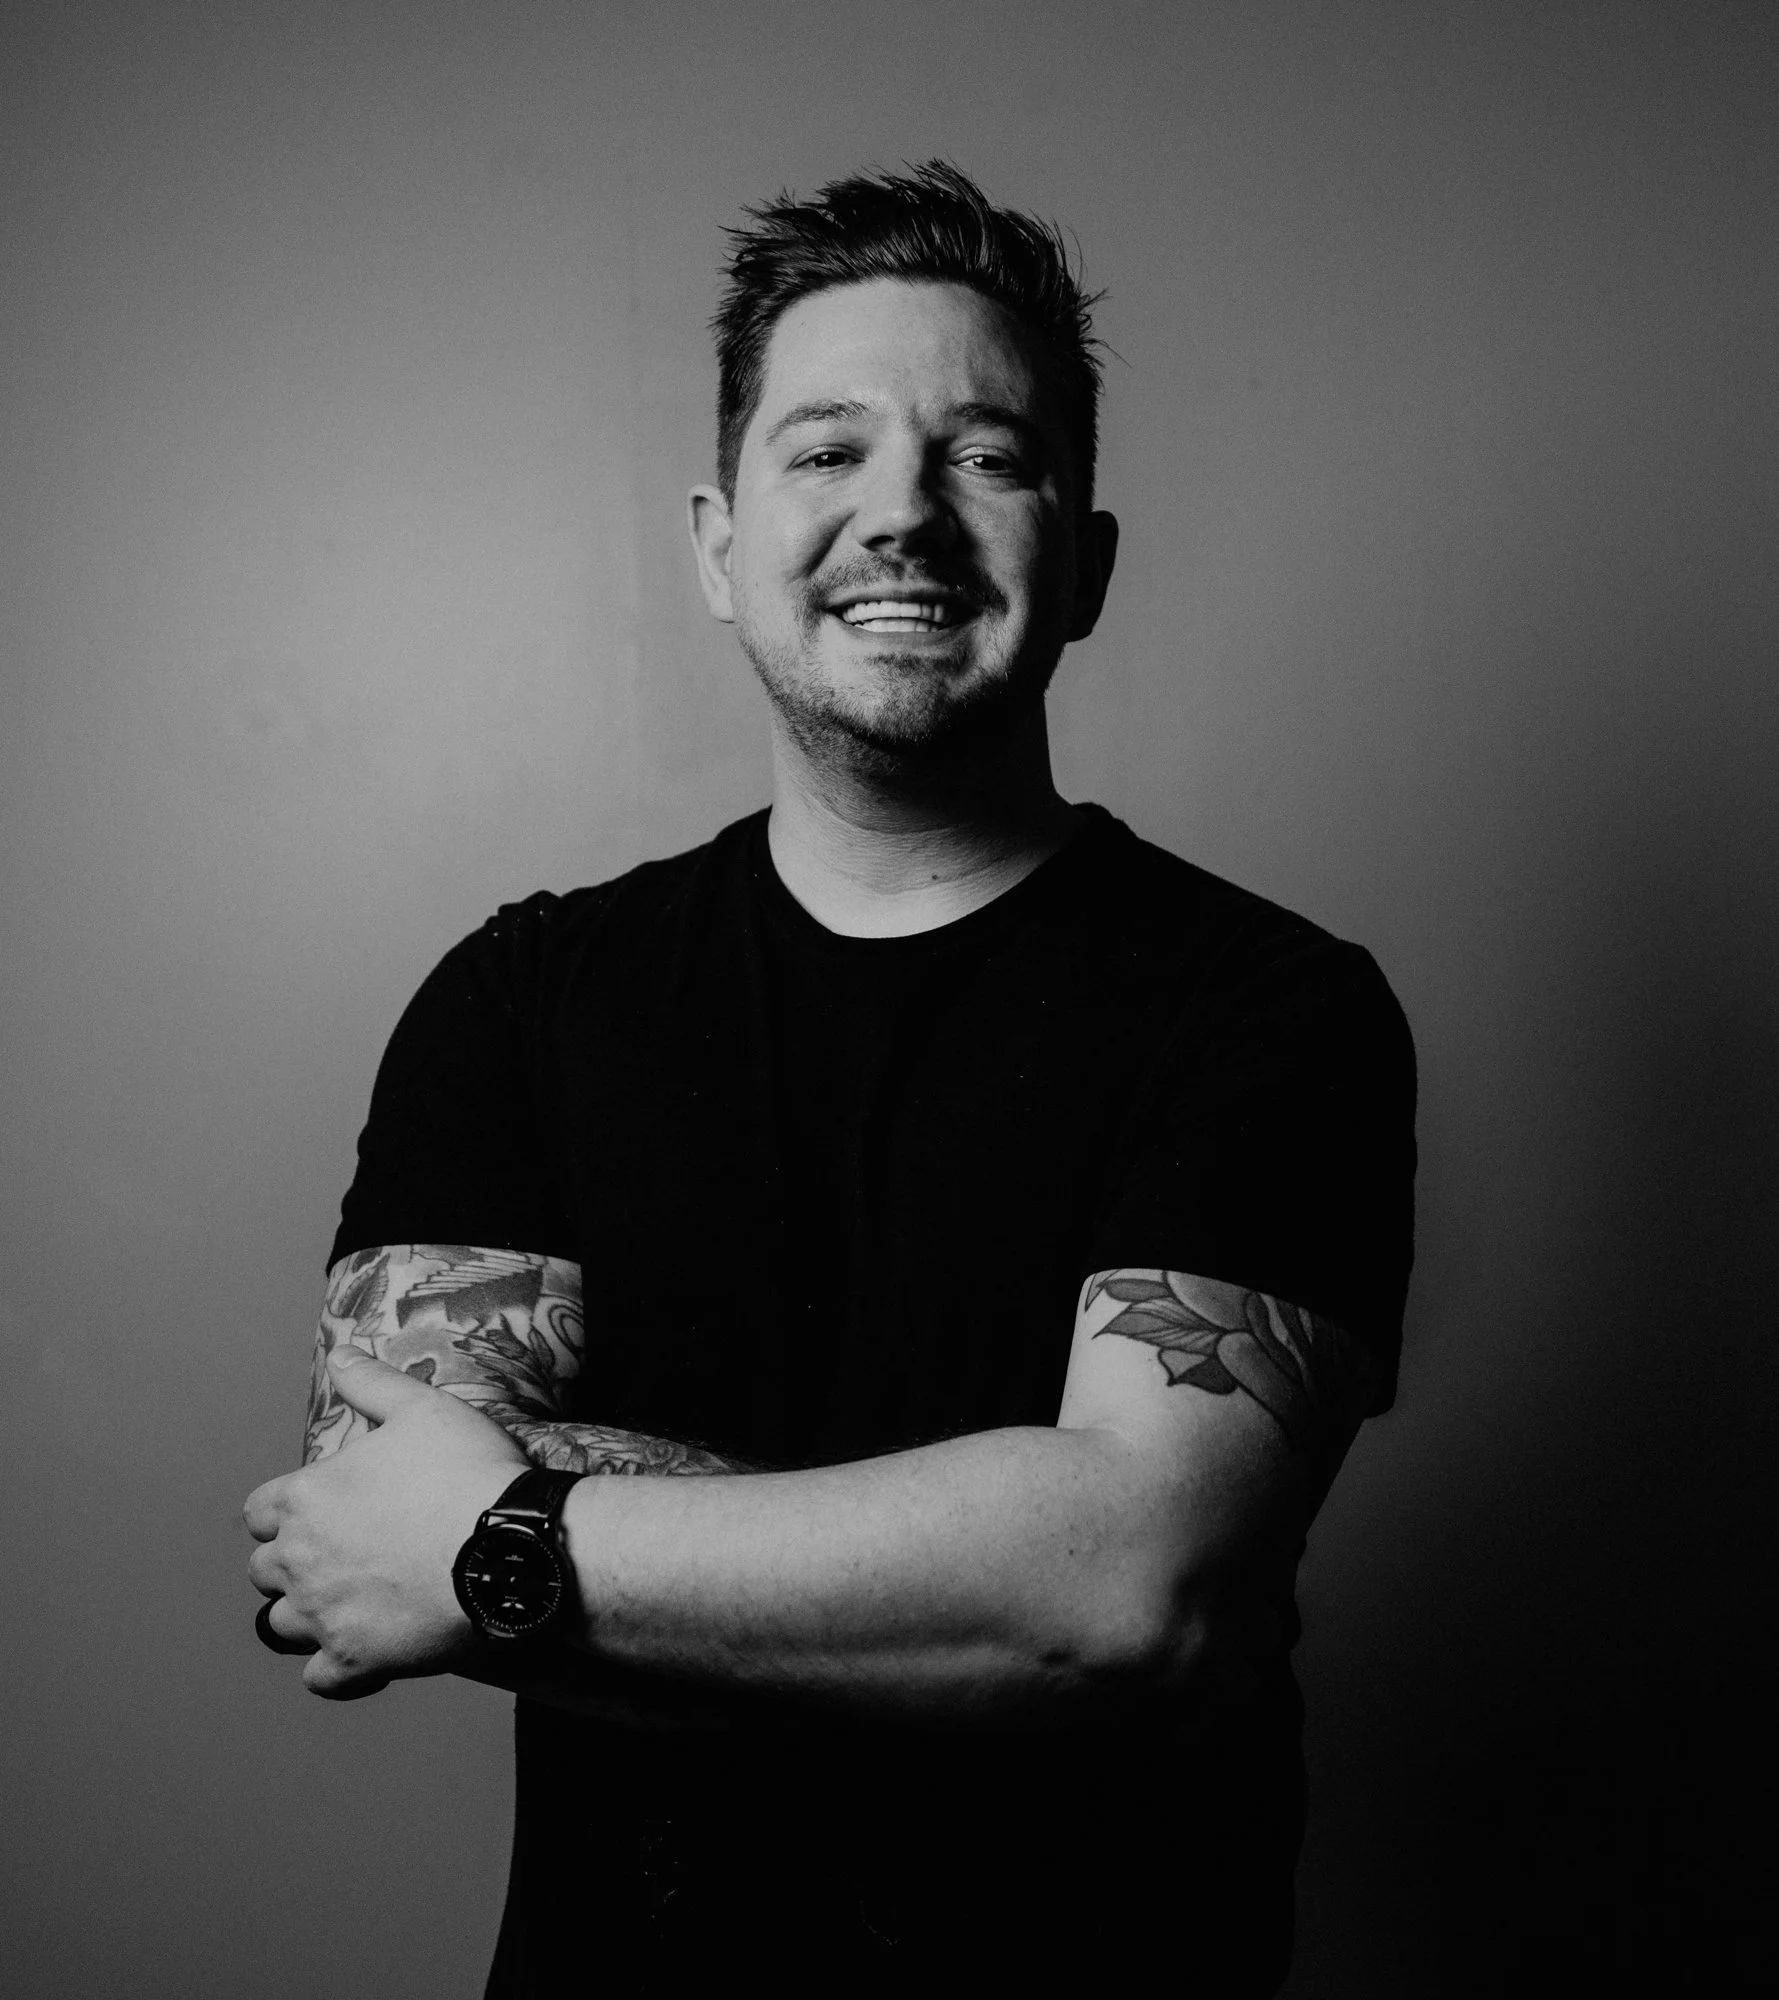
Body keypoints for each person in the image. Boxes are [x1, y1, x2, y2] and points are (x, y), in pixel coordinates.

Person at [243, 161, 1415, 1997]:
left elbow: (1125, 1589)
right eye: (826, 451)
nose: (904, 517)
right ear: (715, 546)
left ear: (1086, 560)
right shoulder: (525, 998)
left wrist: (518, 1531)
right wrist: (976, 1546)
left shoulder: (1271, 1012)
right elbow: (363, 1523)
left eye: (987, 455)